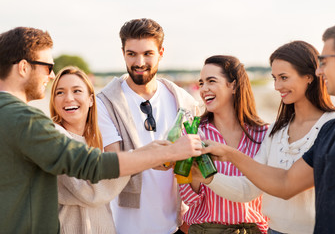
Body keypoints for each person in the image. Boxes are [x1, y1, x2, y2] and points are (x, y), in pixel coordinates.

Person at [0, 27, 202, 233]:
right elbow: (90, 167)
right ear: (23, 67)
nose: (51, 75)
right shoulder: (25, 120)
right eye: (47, 66)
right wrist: (161, 153)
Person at [201, 21, 335, 233]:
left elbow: (286, 186)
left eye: (284, 78)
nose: (277, 86)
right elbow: (271, 185)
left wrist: (229, 155)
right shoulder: (284, 130)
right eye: (274, 78)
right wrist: (211, 169)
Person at [96, 18, 199, 234]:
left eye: (148, 54)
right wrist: (161, 155)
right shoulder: (104, 102)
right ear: (123, 52)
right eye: (131, 53)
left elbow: (193, 164)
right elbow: (113, 161)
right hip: (123, 226)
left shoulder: (184, 101)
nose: (139, 62)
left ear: (161, 53)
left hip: (174, 225)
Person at [179, 55, 269, 233]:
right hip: (207, 230)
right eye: (202, 83)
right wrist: (194, 174)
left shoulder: (264, 134)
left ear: (234, 85)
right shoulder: (192, 132)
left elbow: (269, 188)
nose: (204, 89)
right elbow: (189, 200)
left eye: (211, 81)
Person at [49, 66, 131, 233]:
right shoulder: (54, 138)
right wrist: (140, 159)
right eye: (60, 92)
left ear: (91, 100)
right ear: (53, 101)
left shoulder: (95, 142)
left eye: (77, 91)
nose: (68, 98)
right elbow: (90, 191)